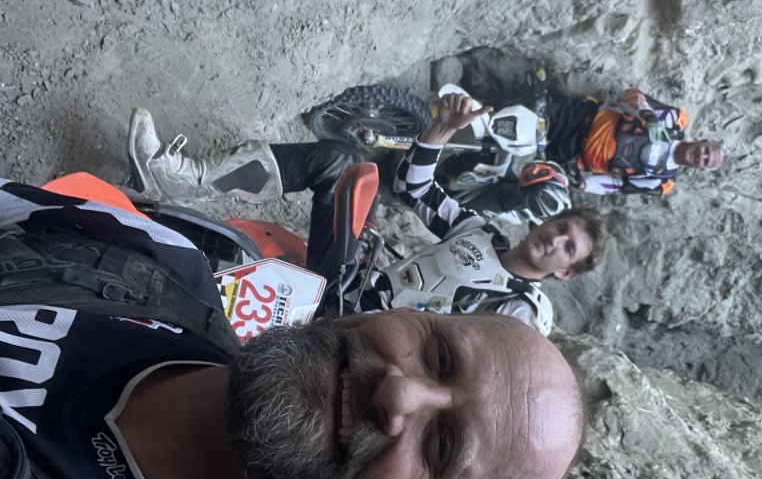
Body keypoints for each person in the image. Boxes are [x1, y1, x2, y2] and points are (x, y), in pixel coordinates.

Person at [0, 175, 586, 479]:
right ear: (405, 312)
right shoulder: (155, 259)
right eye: (437, 356)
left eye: (441, 446)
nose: (400, 393)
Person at [126, 93, 608, 334]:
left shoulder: (522, 310)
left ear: (565, 272)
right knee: (343, 161)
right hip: (353, 283)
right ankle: (183, 181)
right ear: (547, 221)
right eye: (561, 227)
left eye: (568, 247)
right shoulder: (479, 232)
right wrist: (442, 128)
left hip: (354, 329)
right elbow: (414, 185)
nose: (555, 239)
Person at [542, 86, 725, 196]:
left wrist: (583, 184)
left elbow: (618, 186)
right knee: (536, 110)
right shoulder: (673, 121)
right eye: (706, 150)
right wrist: (649, 115)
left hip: (572, 157)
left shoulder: (661, 182)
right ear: (703, 141)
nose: (701, 155)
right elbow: (629, 96)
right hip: (580, 118)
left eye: (706, 161)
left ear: (701, 169)